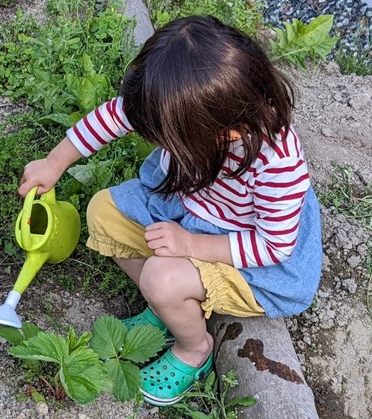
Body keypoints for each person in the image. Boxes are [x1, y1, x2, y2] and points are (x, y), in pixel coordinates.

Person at [17, 15, 322, 406]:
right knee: (103, 212)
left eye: (165, 138)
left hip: (246, 251)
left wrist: (189, 244)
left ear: (220, 133)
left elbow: (274, 246)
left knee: (160, 278)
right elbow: (114, 116)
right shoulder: (187, 104)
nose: (153, 138)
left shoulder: (277, 164)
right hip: (191, 206)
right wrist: (54, 162)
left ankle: (194, 346)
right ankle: (169, 309)